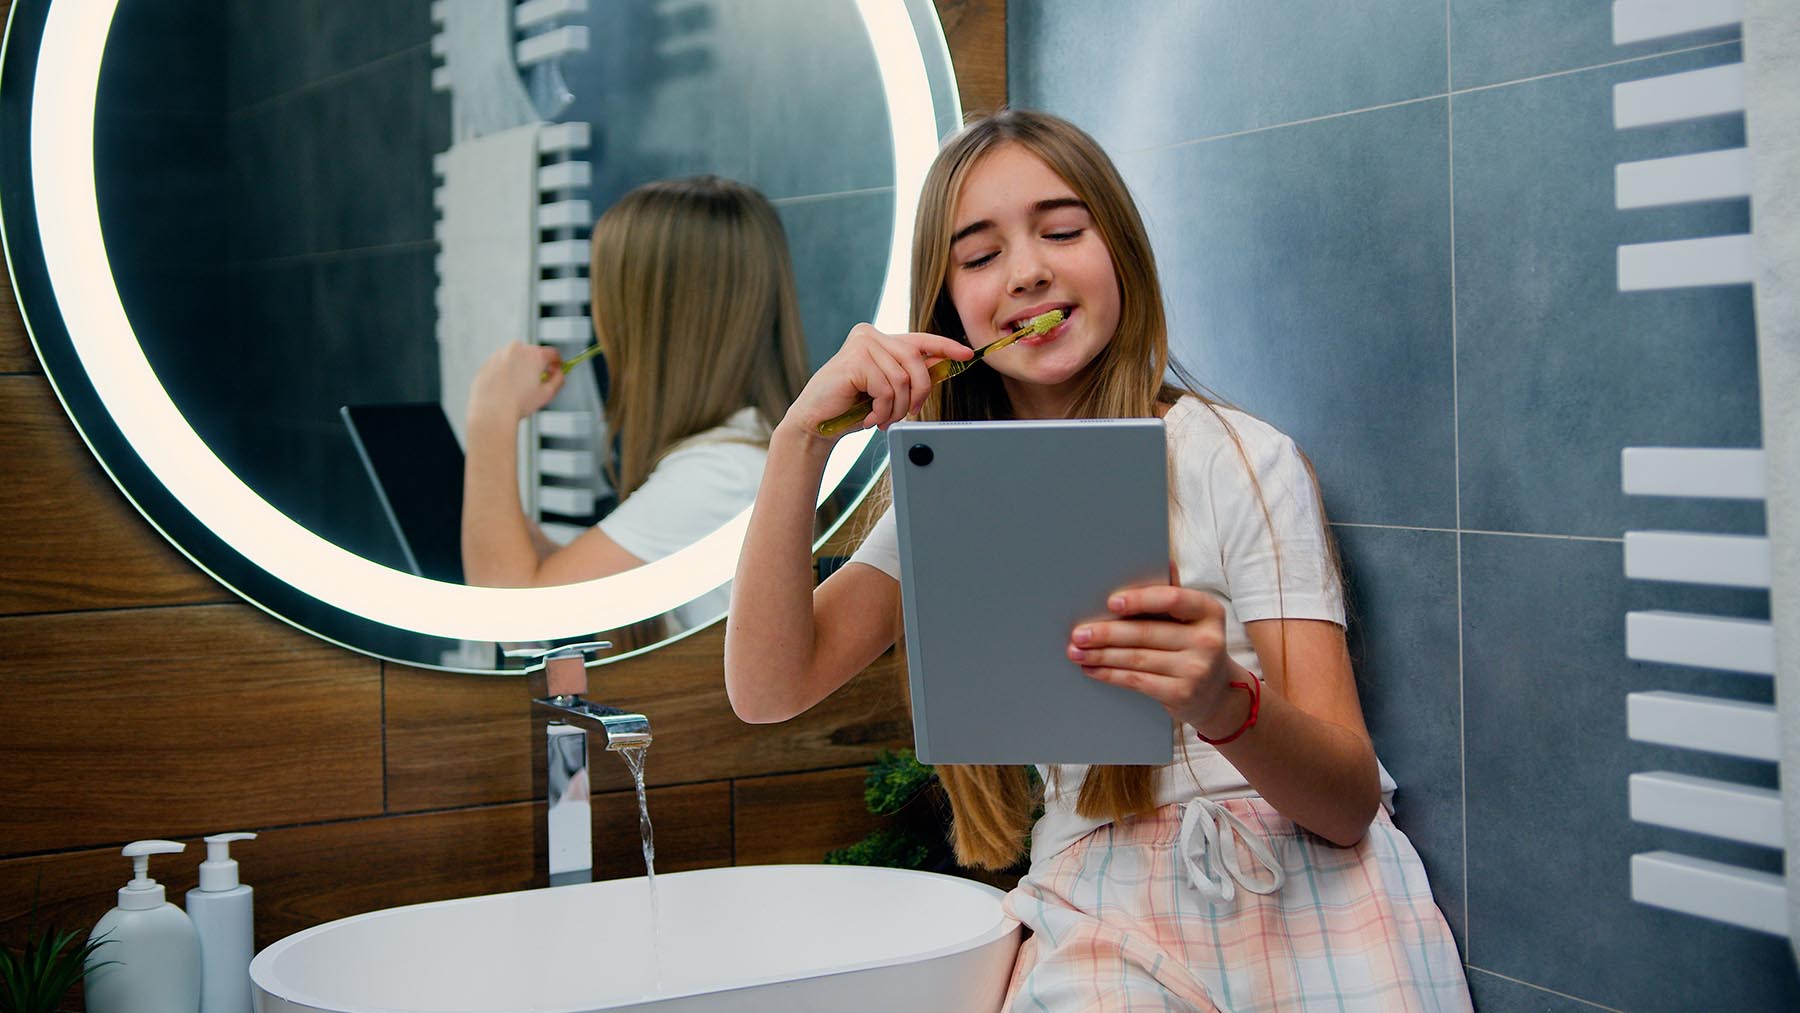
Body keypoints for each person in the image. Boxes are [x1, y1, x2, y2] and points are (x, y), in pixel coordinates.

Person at [723, 110, 1471, 1011]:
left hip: (1305, 887)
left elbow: (1347, 802)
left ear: (1118, 248)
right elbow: (767, 687)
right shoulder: (951, 491)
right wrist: (800, 438)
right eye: (979, 253)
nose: (1028, 268)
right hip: (1102, 909)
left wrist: (1222, 703)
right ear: (947, 303)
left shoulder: (1232, 455)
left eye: (1062, 230)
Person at [461, 175, 808, 598]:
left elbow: (519, 615)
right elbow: (585, 580)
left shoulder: (715, 475)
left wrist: (489, 417)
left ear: (646, 318)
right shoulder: (740, 455)